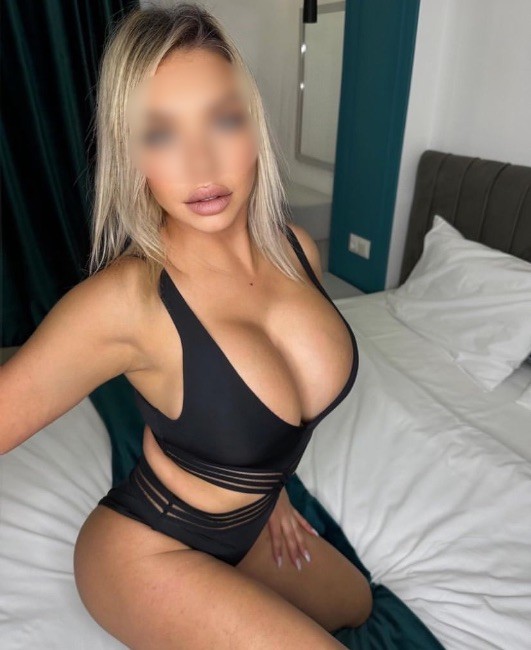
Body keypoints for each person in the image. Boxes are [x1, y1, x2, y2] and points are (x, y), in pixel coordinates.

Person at [1, 4, 372, 647]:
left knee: (358, 606)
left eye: (222, 120)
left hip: (252, 524)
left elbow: (274, 416)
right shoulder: (126, 301)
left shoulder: (298, 251)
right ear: (132, 154)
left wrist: (274, 491)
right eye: (161, 133)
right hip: (150, 545)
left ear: (253, 125)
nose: (200, 164)